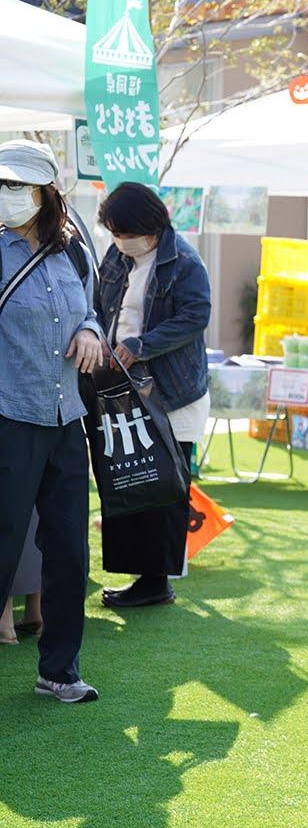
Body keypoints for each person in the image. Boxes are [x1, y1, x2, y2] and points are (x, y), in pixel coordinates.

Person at [0, 139, 105, 702]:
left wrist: (90, 331)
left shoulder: (74, 252)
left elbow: (91, 311)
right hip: (8, 415)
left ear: (47, 193)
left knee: (68, 549)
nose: (7, 195)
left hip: (67, 417)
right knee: (3, 542)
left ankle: (59, 671)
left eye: (17, 185)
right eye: (2, 184)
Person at [94, 182, 212, 609]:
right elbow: (100, 305)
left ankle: (156, 581)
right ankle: (140, 576)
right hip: (123, 388)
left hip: (173, 392)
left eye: (122, 231)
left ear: (148, 227)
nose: (117, 240)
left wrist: (142, 345)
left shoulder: (185, 261)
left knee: (164, 488)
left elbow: (196, 316)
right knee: (127, 477)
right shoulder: (117, 255)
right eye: (112, 231)